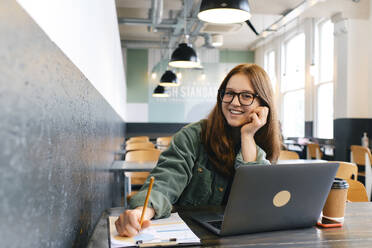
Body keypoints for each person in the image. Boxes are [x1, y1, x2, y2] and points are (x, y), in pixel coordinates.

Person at [115, 63, 281, 237]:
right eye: (229, 93)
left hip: (242, 237)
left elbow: (257, 200)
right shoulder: (192, 136)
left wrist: (247, 136)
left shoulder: (263, 143)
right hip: (191, 236)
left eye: (246, 96)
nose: (234, 102)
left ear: (263, 104)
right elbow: (166, 181)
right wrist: (141, 212)